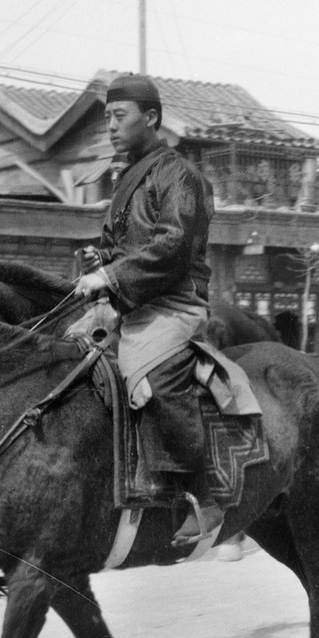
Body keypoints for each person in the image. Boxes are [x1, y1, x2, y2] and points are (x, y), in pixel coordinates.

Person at [73, 73, 221, 548]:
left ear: (151, 117)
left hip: (175, 303)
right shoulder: (127, 177)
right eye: (108, 119)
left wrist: (112, 277)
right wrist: (104, 265)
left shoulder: (180, 174)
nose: (111, 127)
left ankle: (207, 495)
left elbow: (174, 245)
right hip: (132, 303)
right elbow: (124, 245)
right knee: (65, 354)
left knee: (147, 378)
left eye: (120, 117)